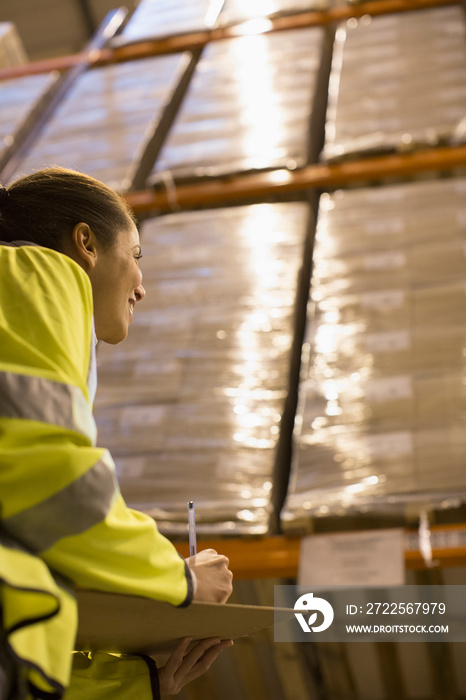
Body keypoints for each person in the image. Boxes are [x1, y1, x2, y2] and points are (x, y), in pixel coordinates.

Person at [0, 167, 233, 700]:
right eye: (136, 256)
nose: (142, 288)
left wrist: (139, 683)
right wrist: (182, 582)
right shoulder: (36, 274)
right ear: (85, 243)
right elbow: (54, 487)